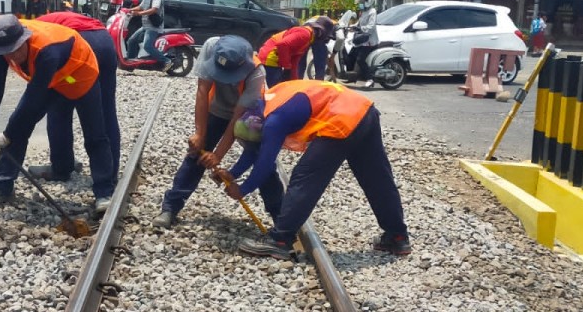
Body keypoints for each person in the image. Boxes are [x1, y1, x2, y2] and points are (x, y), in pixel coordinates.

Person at [219, 80, 411, 259]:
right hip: (363, 110)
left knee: (306, 177)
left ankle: (280, 239)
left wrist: (242, 190)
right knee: (377, 178)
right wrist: (233, 173)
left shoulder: (273, 121)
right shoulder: (271, 100)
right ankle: (397, 237)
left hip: (341, 119)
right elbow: (257, 150)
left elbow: (265, 161)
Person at [0, 15, 115, 213]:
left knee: (95, 134)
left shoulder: (47, 51)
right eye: (5, 52)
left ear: (24, 39)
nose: (11, 56)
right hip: (51, 78)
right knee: (19, 130)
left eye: (15, 50)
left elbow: (33, 98)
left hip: (78, 75)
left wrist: (6, 135)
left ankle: (104, 193)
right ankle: (2, 188)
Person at [152, 35, 285, 228]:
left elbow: (236, 117)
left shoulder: (257, 74)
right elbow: (202, 91)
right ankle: (170, 207)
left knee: (263, 161)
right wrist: (200, 133)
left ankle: (280, 220)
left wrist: (218, 155)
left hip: (248, 116)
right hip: (217, 107)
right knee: (197, 154)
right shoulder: (210, 47)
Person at [30, 11, 121, 181]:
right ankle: (111, 172)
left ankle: (61, 168)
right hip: (104, 40)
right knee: (107, 110)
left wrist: (70, 80)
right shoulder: (39, 23)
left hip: (79, 42)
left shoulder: (33, 38)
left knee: (58, 110)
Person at [257, 17, 334, 87]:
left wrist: (295, 81)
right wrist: (286, 66)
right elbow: (282, 45)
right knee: (274, 91)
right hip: (270, 57)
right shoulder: (305, 34)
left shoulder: (309, 39)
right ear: (321, 33)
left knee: (283, 88)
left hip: (275, 59)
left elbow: (295, 60)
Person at [126, 0, 170, 70]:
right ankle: (130, 64)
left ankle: (167, 61)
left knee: (147, 46)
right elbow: (141, 7)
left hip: (154, 27)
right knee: (131, 41)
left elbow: (154, 9)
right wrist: (128, 10)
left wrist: (138, 14)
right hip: (146, 26)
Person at [350, 0, 379, 88]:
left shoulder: (372, 12)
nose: (360, 5)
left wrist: (360, 28)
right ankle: (352, 76)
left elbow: (371, 27)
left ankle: (370, 79)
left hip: (369, 41)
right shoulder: (363, 12)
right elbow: (359, 24)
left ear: (368, 1)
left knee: (360, 59)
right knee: (351, 54)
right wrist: (350, 26)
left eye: (361, 2)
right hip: (362, 40)